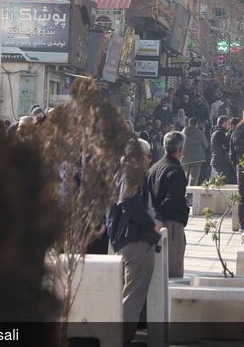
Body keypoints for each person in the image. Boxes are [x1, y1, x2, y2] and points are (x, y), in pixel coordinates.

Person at [114, 139, 162, 344]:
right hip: (136, 241)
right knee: (133, 297)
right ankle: (121, 339)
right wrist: (151, 223)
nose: (150, 160)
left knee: (131, 295)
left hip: (131, 240)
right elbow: (128, 203)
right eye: (148, 156)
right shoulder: (130, 174)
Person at [146, 131, 189, 278]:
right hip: (170, 224)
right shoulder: (176, 171)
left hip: (154, 223)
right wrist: (159, 217)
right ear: (181, 149)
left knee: (158, 271)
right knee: (172, 271)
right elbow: (172, 200)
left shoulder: (153, 168)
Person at [181, 117, 210, 184]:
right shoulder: (200, 133)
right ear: (197, 124)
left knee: (184, 177)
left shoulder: (182, 133)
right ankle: (191, 193)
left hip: (184, 158)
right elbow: (206, 145)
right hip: (197, 158)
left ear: (188, 123)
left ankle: (183, 192)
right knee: (194, 177)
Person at [211, 116, 236, 184]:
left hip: (217, 158)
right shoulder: (221, 133)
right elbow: (226, 146)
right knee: (222, 182)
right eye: (228, 123)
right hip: (221, 160)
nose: (229, 125)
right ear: (224, 123)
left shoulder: (215, 132)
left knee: (218, 180)